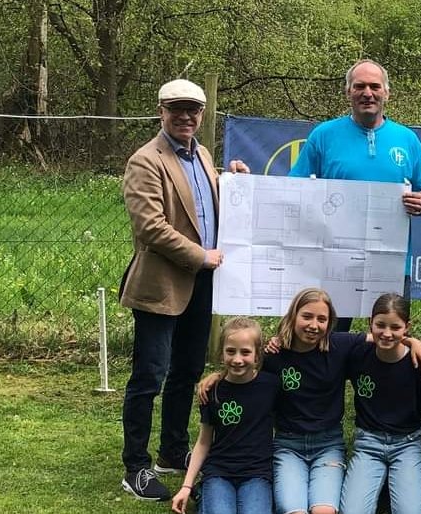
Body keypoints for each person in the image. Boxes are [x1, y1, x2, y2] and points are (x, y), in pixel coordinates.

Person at [119, 78, 251, 500]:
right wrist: (200, 256)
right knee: (149, 376)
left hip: (201, 286)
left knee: (186, 374)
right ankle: (135, 467)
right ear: (161, 111)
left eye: (193, 110)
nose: (186, 117)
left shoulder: (203, 156)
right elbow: (151, 228)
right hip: (161, 286)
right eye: (177, 109)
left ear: (202, 114)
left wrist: (231, 182)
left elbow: (204, 209)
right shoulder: (145, 160)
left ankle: (173, 453)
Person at [197, 288, 421, 514]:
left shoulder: (340, 345)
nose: (313, 325)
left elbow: (384, 336)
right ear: (293, 316)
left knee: (324, 510)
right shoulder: (275, 354)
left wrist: (414, 343)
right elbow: (245, 368)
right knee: (294, 509)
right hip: (288, 445)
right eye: (307, 316)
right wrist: (218, 377)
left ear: (330, 322)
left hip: (328, 445)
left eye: (322, 319)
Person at [289, 59, 421, 332]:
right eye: (360, 86)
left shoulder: (407, 139)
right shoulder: (323, 135)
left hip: (391, 262)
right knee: (327, 337)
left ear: (386, 93)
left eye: (375, 86)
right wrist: (244, 177)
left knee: (388, 337)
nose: (368, 92)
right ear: (348, 92)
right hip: (335, 262)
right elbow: (293, 187)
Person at [340, 293, 421, 514]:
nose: (387, 333)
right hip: (368, 444)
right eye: (380, 325)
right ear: (370, 323)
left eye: (395, 327)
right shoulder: (358, 354)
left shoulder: (419, 363)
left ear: (407, 326)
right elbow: (328, 343)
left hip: (407, 445)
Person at [171, 317, 278, 514]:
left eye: (245, 352)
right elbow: (203, 442)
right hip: (219, 472)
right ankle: (203, 491)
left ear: (257, 356)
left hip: (257, 474)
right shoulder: (212, 391)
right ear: (221, 353)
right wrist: (186, 486)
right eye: (231, 351)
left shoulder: (271, 385)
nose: (237, 359)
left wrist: (279, 340)